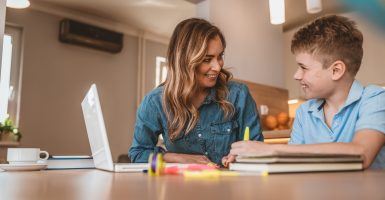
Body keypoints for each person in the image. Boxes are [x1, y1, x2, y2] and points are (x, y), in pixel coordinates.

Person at [225, 15, 385, 169]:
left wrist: (270, 149)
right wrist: (249, 157)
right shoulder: (304, 111)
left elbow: (362, 154)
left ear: (336, 70)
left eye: (303, 67)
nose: (296, 75)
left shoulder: (375, 99)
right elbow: (290, 162)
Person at [129, 18, 263, 166]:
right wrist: (178, 158)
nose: (217, 67)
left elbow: (258, 150)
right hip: (181, 188)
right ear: (184, 61)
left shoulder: (238, 95)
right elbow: (138, 153)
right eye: (207, 59)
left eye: (220, 57)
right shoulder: (155, 102)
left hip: (230, 187)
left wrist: (240, 157)